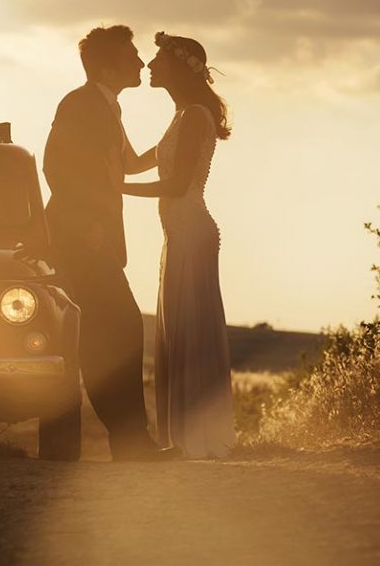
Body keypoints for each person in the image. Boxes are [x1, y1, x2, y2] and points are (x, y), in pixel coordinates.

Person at [42, 25, 174, 462]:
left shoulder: (108, 108)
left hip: (95, 243)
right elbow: (56, 168)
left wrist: (177, 139)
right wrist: (87, 228)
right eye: (132, 55)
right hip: (80, 242)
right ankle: (132, 442)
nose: (140, 63)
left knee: (112, 334)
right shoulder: (79, 105)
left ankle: (131, 442)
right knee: (115, 331)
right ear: (106, 64)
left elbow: (130, 164)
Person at [124, 32, 236, 459]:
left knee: (191, 332)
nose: (150, 67)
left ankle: (197, 439)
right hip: (178, 234)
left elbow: (172, 183)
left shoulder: (192, 118)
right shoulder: (181, 117)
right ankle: (187, 438)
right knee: (182, 333)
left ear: (179, 68)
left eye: (158, 61)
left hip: (191, 232)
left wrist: (113, 188)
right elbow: (134, 163)